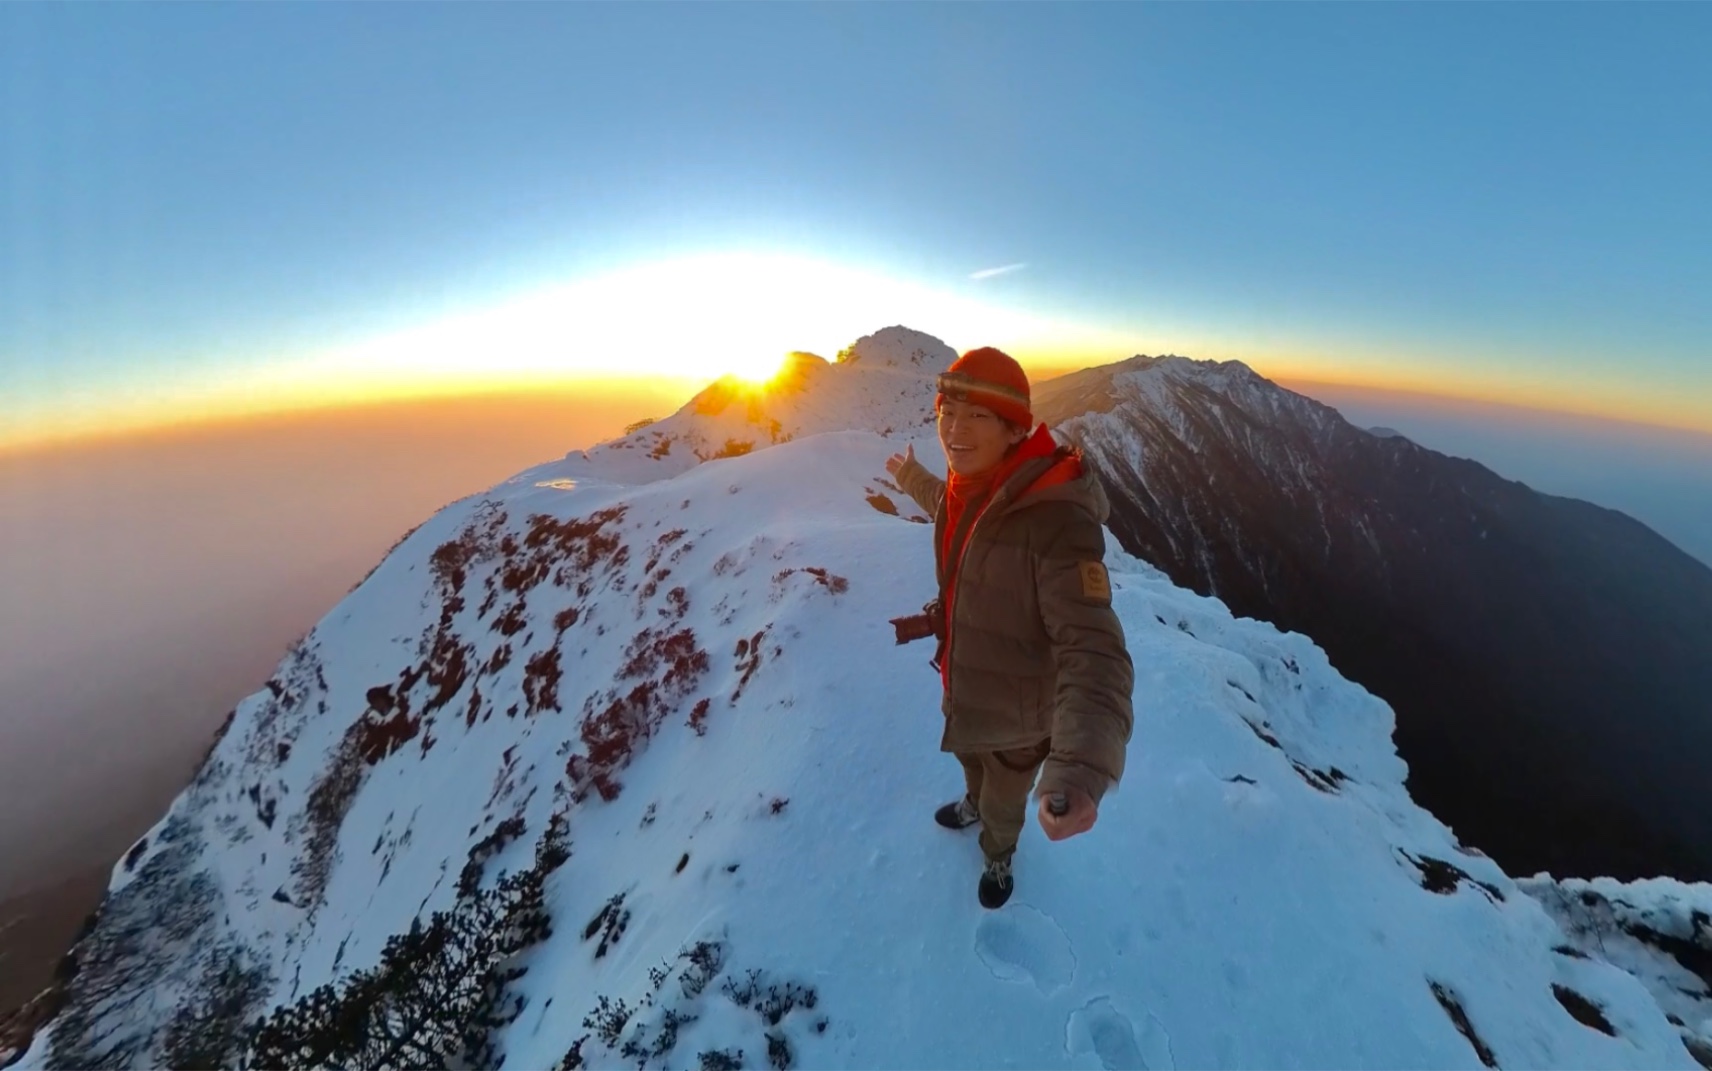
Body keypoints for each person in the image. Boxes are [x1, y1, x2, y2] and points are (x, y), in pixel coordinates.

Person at [885, 346, 1134, 909]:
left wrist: (1078, 767)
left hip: (1020, 720)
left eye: (977, 417)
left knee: (1004, 799)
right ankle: (975, 804)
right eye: (948, 413)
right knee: (970, 763)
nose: (955, 429)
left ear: (1014, 431)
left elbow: (1094, 650)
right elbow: (946, 507)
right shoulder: (969, 487)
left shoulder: (1054, 521)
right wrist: (909, 476)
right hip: (964, 685)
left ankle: (998, 854)